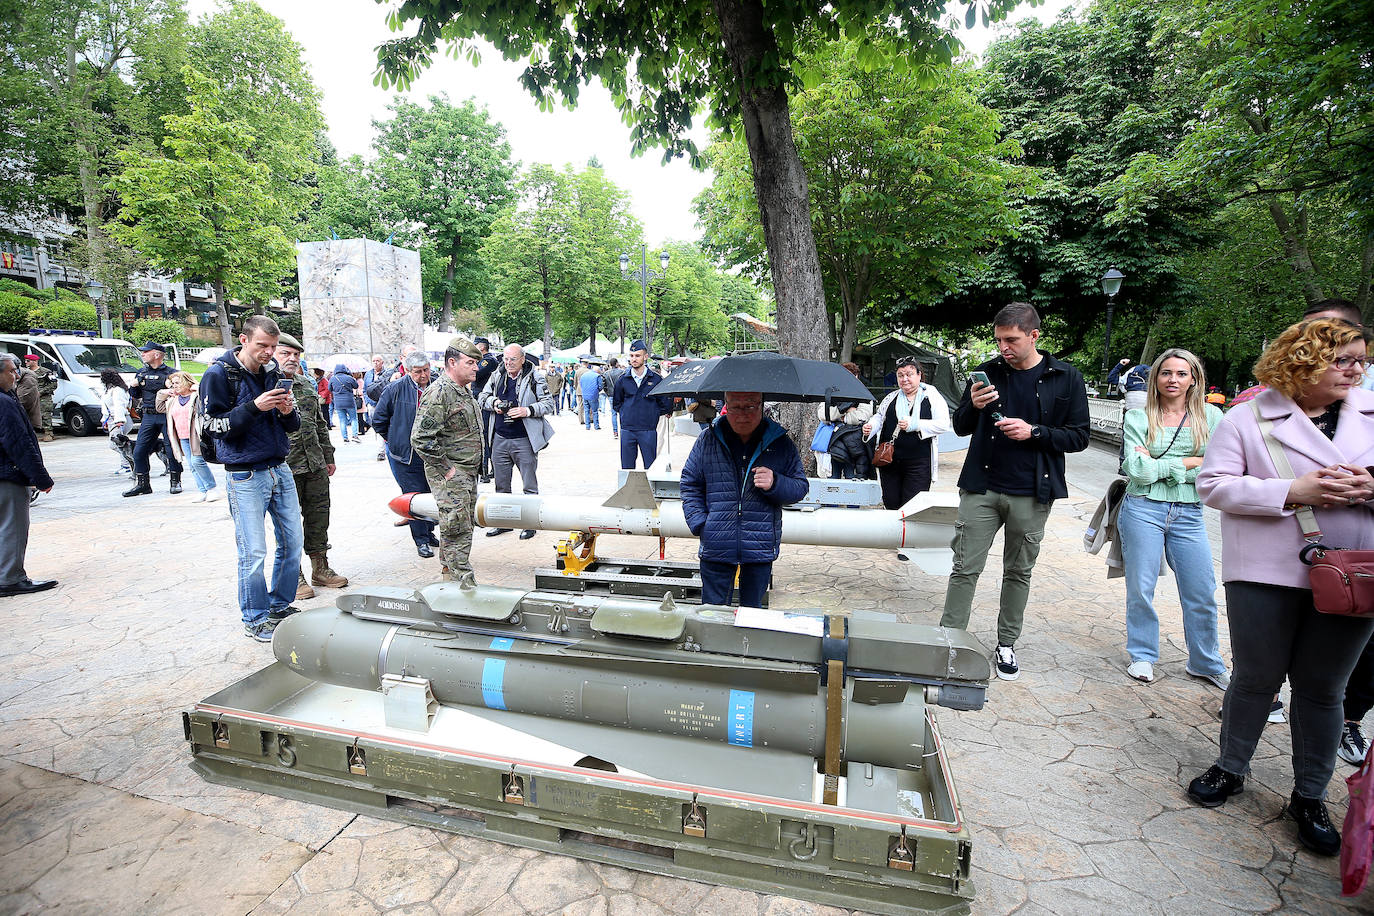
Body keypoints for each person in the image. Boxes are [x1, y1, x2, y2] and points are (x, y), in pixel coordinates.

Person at [1186, 318, 1374, 857]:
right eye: (1344, 360)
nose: (1357, 370)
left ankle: (1309, 795)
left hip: (1352, 573)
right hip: (1265, 571)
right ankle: (1230, 768)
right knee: (1255, 677)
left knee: (1323, 689)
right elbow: (1214, 486)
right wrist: (1294, 489)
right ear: (1303, 360)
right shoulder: (1247, 417)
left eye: (1361, 359)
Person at [939, 303, 1090, 680]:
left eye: (1011, 340)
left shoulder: (1065, 377)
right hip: (981, 487)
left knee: (1018, 572)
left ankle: (1005, 644)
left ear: (1033, 335)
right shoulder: (987, 372)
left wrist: (1034, 431)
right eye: (999, 340)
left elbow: (1080, 436)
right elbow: (959, 427)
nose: (1003, 348)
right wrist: (972, 406)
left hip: (1032, 491)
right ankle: (948, 640)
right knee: (963, 567)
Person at [1117, 349, 1227, 688]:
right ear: (1156, 378)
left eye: (1181, 373)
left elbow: (1218, 467)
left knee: (1202, 590)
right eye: (1166, 373)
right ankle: (1143, 655)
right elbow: (1136, 470)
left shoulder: (1212, 417)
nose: (1173, 380)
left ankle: (1205, 661)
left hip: (1190, 513)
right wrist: (1190, 463)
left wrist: (1162, 465)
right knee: (1141, 587)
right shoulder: (1139, 417)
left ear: (1194, 378)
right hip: (1143, 509)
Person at [200, 315, 303, 643]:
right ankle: (255, 618)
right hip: (244, 474)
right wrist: (254, 407)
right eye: (262, 346)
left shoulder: (273, 371)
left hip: (279, 467)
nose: (269, 353)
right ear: (243, 340)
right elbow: (212, 426)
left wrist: (288, 412)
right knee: (253, 551)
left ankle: (280, 606)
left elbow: (293, 425)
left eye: (273, 347)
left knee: (292, 543)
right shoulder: (218, 374)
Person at [680, 391, 808, 607]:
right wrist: (701, 523)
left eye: (750, 407)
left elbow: (800, 487)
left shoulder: (779, 442)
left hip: (759, 546)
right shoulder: (708, 439)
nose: (742, 415)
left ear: (761, 406)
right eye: (735, 407)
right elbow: (690, 483)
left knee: (752, 616)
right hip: (716, 543)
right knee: (712, 614)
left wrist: (776, 482)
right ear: (725, 406)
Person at [275, 334, 349, 599]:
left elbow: (320, 423)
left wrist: (328, 456)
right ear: (273, 353)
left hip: (314, 462)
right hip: (285, 465)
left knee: (319, 516)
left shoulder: (306, 383)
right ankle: (293, 576)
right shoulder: (266, 384)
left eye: (296, 355)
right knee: (288, 522)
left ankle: (320, 568)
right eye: (286, 354)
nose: (292, 359)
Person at [412, 337, 484, 581]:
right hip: (452, 474)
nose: (476, 368)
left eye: (477, 363)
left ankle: (450, 574)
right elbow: (420, 438)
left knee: (463, 525)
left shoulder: (463, 391)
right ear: (452, 362)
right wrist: (447, 470)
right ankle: (460, 579)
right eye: (471, 362)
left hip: (466, 472)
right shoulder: (440, 392)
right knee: (455, 526)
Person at [480, 344, 555, 539]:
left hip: (524, 439)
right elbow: (482, 397)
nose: (508, 363)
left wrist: (526, 410)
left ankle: (530, 524)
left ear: (522, 359)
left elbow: (549, 404)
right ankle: (504, 523)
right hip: (500, 438)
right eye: (505, 359)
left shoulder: (535, 377)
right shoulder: (497, 375)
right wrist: (495, 404)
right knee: (501, 485)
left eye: (512, 359)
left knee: (529, 486)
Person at [372, 351, 439, 558]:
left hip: (431, 452)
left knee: (430, 494)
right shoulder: (395, 389)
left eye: (426, 370)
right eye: (418, 372)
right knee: (413, 496)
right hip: (405, 455)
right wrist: (395, 439)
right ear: (408, 371)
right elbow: (378, 420)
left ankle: (428, 532)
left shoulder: (437, 387)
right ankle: (420, 540)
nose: (423, 375)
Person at [0, 354, 56, 597]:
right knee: (13, 526)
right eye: (12, 371)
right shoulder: (4, 402)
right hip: (8, 475)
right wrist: (40, 478)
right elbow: (18, 443)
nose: (16, 375)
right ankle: (10, 578)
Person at [863, 357, 949, 503]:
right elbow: (879, 416)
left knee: (912, 504)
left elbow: (943, 424)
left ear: (919, 375)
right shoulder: (892, 397)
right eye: (900, 375)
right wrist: (870, 426)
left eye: (909, 374)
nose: (905, 379)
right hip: (889, 461)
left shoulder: (931, 396)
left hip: (919, 462)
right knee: (890, 501)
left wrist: (916, 424)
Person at [123, 342, 184, 497]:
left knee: (171, 450)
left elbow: (182, 391)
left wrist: (170, 387)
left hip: (166, 415)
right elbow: (136, 395)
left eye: (146, 352)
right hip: (148, 415)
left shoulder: (171, 373)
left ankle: (175, 481)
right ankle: (143, 484)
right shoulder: (141, 372)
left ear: (156, 354)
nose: (142, 354)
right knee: (139, 450)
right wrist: (133, 386)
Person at [156, 371, 219, 503]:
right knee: (191, 464)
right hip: (181, 436)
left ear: (186, 382)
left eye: (177, 383)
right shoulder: (173, 400)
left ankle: (211, 488)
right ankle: (202, 490)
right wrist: (163, 392)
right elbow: (160, 407)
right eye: (173, 384)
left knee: (197, 462)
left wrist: (198, 387)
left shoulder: (195, 397)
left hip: (195, 435)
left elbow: (208, 401)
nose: (175, 386)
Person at [612, 340, 673, 469]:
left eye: (637, 355)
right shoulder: (622, 380)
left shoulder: (656, 380)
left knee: (651, 467)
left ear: (645, 357)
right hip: (627, 429)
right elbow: (617, 403)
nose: (634, 359)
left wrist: (652, 414)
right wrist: (626, 413)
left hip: (648, 430)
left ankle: (650, 490)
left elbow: (664, 403)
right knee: (627, 469)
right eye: (632, 356)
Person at [473, 338, 500, 483]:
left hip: (485, 402)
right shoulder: (483, 360)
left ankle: (486, 470)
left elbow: (476, 373)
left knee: (485, 435)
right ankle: (488, 469)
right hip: (481, 400)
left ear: (482, 347)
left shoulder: (488, 360)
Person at [99, 369, 134, 475]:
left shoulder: (117, 390)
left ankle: (129, 462)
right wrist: (104, 420)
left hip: (119, 419)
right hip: (112, 419)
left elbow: (119, 405)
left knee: (114, 444)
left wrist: (119, 420)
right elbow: (106, 407)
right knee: (118, 444)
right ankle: (126, 464)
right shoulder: (110, 389)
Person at [363, 354, 392, 461]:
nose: (375, 363)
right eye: (373, 361)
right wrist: (367, 402)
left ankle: (381, 451)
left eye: (378, 361)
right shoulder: (368, 374)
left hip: (382, 404)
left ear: (382, 362)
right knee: (375, 426)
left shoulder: (387, 374)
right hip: (371, 404)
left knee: (382, 425)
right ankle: (381, 447)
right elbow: (365, 389)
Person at [24, 354, 56, 442]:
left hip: (43, 398)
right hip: (30, 397)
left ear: (35, 361)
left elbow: (54, 384)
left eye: (28, 361)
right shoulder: (25, 372)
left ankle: (49, 433)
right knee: (29, 415)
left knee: (45, 415)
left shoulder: (45, 371)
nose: (26, 362)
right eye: (26, 361)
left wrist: (41, 392)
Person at [328, 363, 359, 442]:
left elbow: (329, 389)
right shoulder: (349, 378)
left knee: (342, 420)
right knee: (354, 419)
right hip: (349, 401)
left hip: (338, 403)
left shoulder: (332, 378)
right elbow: (356, 386)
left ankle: (345, 437)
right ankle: (355, 436)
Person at [604, 357, 625, 438]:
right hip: (621, 395)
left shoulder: (606, 373)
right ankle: (623, 430)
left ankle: (615, 432)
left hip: (611, 395)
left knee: (613, 414)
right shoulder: (622, 372)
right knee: (622, 413)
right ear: (616, 363)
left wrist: (608, 393)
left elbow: (604, 385)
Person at [579, 364, 604, 430]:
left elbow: (581, 384)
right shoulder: (597, 376)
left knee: (586, 411)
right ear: (597, 371)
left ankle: (587, 426)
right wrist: (597, 391)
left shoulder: (584, 375)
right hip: (593, 395)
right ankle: (596, 426)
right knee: (595, 411)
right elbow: (600, 386)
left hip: (585, 395)